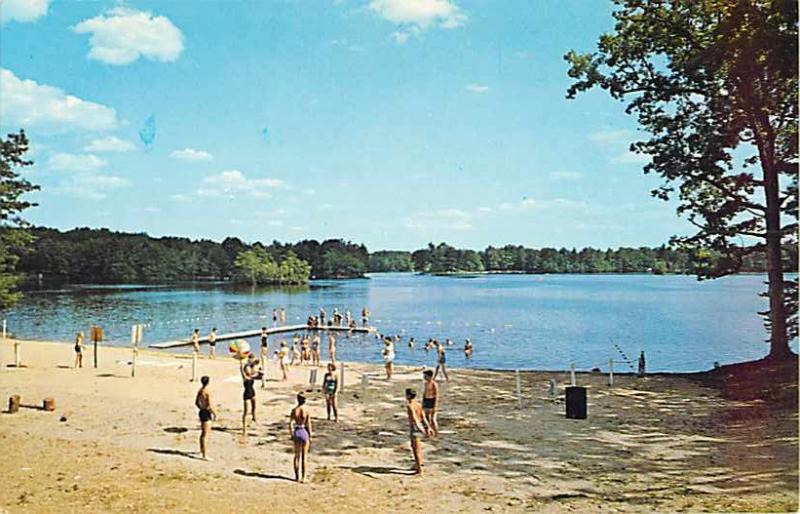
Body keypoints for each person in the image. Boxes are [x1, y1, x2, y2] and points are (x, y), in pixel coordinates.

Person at [405, 388, 431, 475]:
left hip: (415, 427)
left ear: (408, 396)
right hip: (419, 426)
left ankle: (419, 469)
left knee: (415, 448)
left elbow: (414, 418)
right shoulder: (418, 405)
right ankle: (417, 464)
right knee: (418, 447)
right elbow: (423, 417)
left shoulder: (410, 406)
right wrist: (428, 427)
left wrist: (420, 428)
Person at [289, 393, 313, 483]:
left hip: (297, 430)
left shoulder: (294, 410)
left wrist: (291, 433)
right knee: (304, 456)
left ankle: (296, 476)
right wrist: (310, 435)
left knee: (296, 456)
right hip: (303, 431)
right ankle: (304, 477)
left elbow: (290, 423)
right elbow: (308, 424)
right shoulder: (306, 410)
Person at [195, 375, 216, 460]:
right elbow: (209, 405)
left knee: (203, 433)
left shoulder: (200, 391)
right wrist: (214, 413)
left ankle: (202, 450)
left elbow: (196, 402)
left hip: (201, 411)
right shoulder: (207, 392)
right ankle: (204, 454)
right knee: (206, 434)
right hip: (206, 412)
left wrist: (201, 408)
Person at [241, 355, 258, 435]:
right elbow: (244, 370)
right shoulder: (245, 377)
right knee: (246, 412)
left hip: (252, 391)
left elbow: (254, 372)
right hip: (247, 393)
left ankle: (254, 417)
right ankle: (244, 428)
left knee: (254, 407)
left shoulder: (252, 371)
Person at [422, 370, 439, 436]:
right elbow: (424, 393)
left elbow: (437, 395)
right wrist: (423, 401)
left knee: (433, 419)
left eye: (425, 376)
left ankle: (436, 432)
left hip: (432, 400)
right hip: (426, 400)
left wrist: (435, 405)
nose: (424, 377)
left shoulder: (434, 384)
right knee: (426, 417)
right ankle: (429, 432)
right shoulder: (426, 383)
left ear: (430, 376)